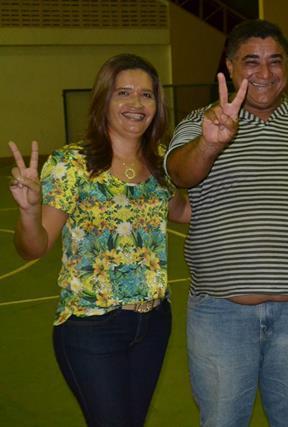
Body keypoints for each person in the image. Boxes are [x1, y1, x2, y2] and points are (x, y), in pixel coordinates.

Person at [164, 20, 288, 426]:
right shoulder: (200, 123)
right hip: (220, 314)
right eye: (251, 61)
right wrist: (210, 143)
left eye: (275, 61)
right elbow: (180, 174)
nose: (264, 73)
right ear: (229, 66)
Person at [8, 53, 190, 427]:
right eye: (123, 92)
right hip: (91, 325)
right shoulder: (72, 164)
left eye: (146, 94)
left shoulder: (160, 161)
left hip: (154, 322)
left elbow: (183, 211)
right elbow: (34, 247)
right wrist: (29, 211)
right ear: (104, 99)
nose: (136, 103)